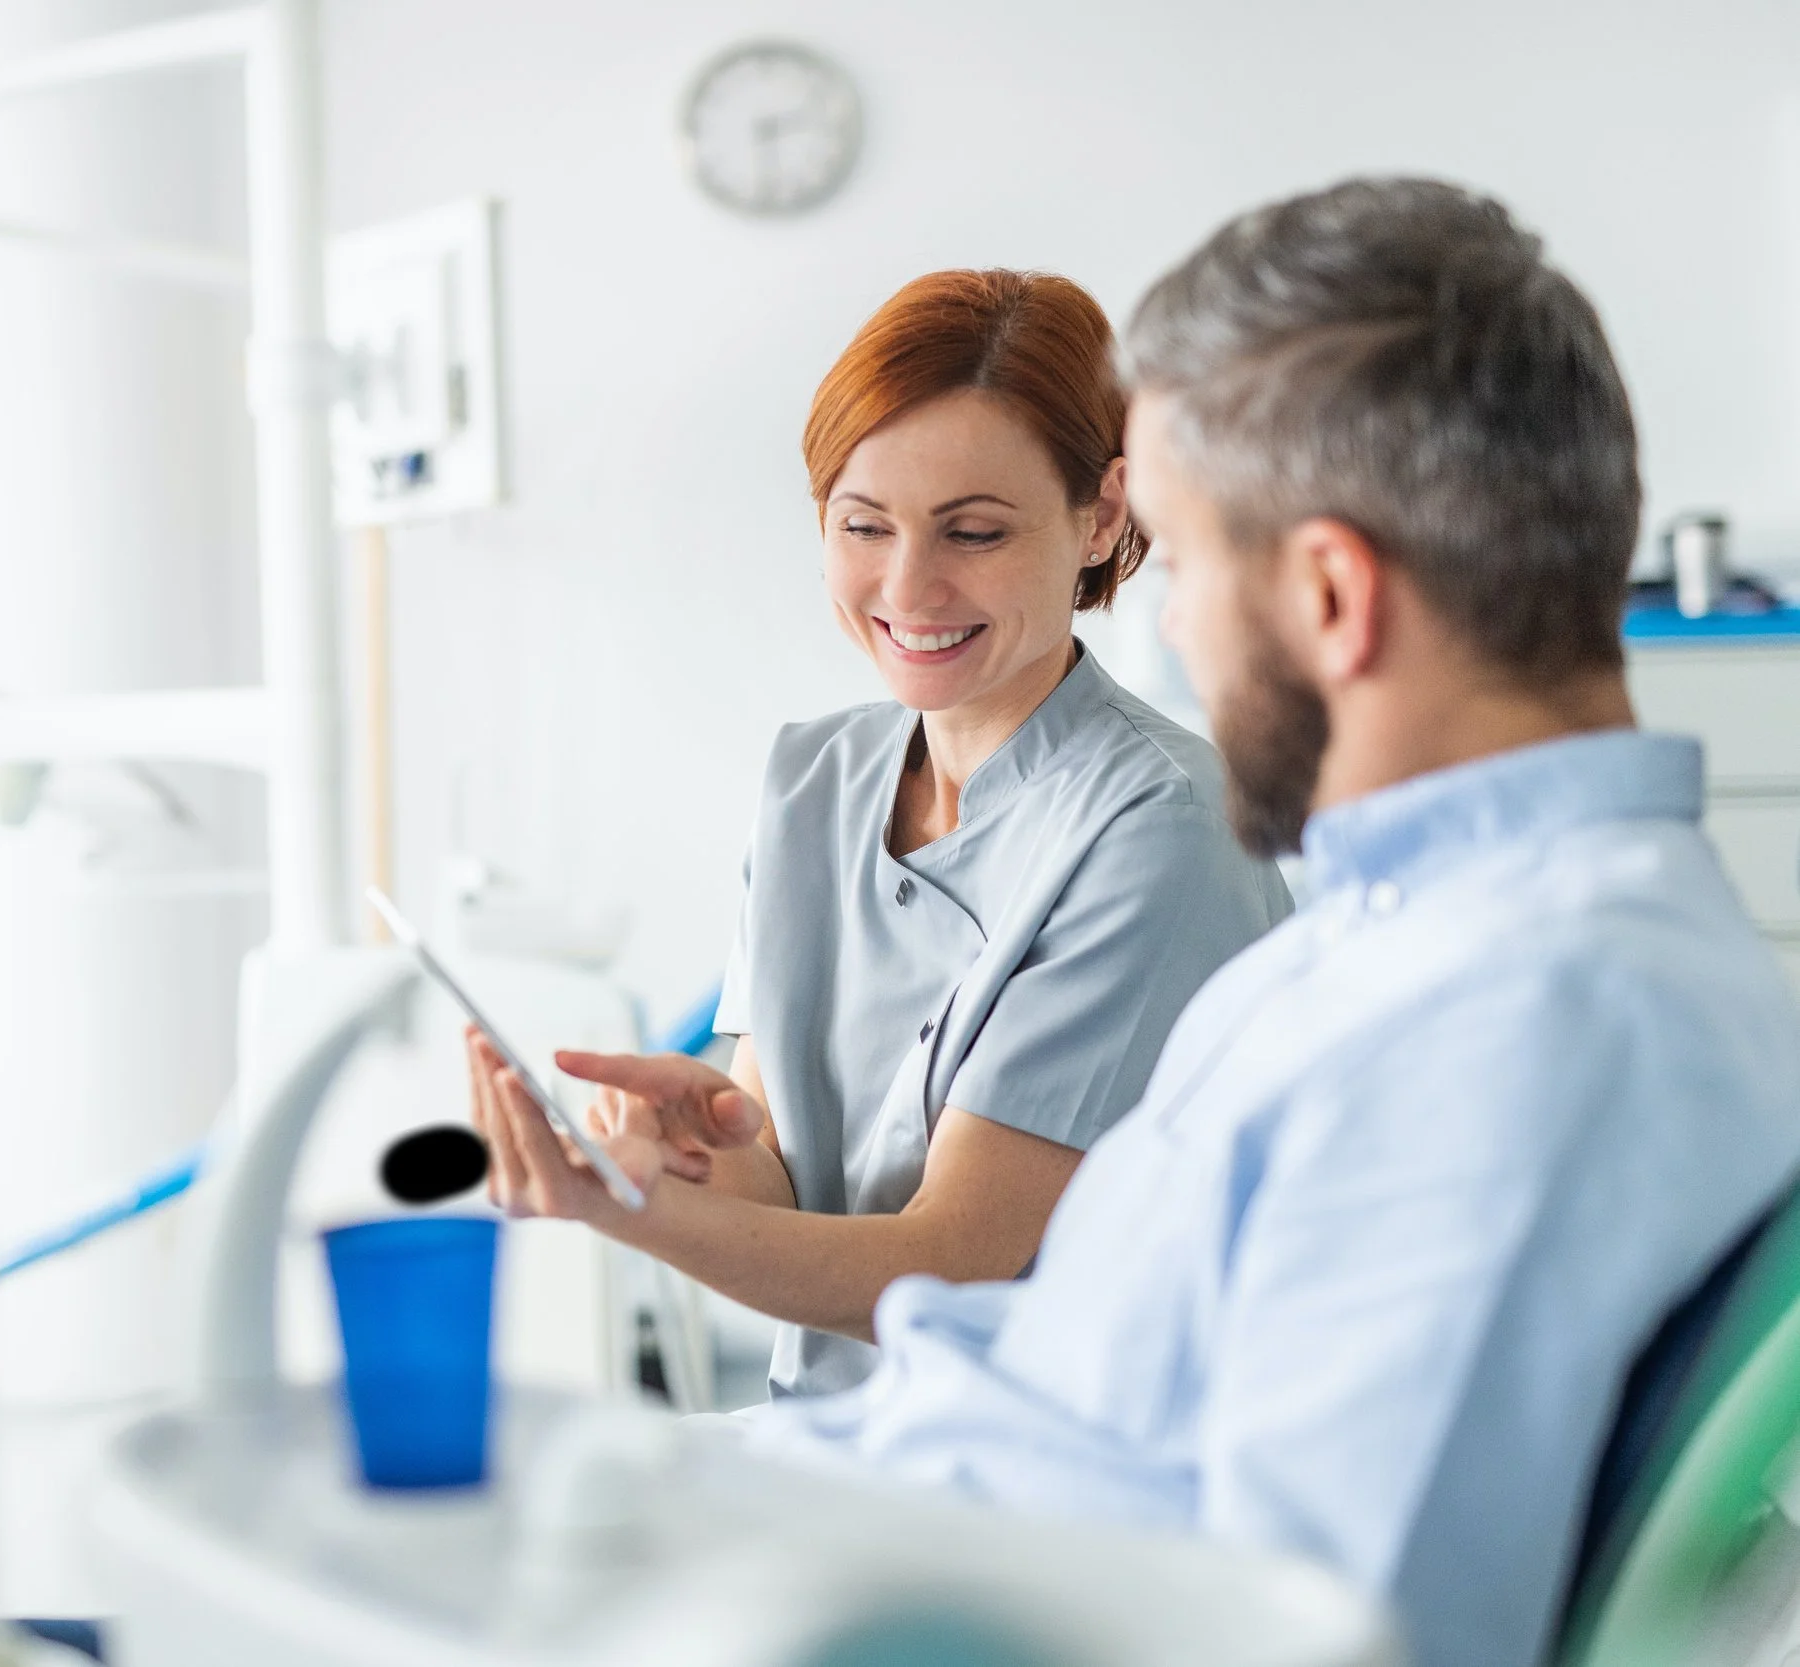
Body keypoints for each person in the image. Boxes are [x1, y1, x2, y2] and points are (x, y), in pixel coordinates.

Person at [729, 179, 1800, 1667]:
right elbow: (1055, 1376)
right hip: (877, 1520)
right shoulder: (1395, 934)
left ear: (1329, 595)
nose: (1169, 622)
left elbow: (1316, 1628)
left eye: (1183, 556)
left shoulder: (1526, 1021)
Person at [467, 270, 1291, 1398]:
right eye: (864, 524)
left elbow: (945, 1264)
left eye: (975, 530)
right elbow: (787, 1190)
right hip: (839, 1446)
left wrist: (634, 1212)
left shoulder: (1160, 823)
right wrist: (694, 1154)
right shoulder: (813, 778)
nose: (909, 586)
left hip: (1050, 1485)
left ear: (1102, 514)